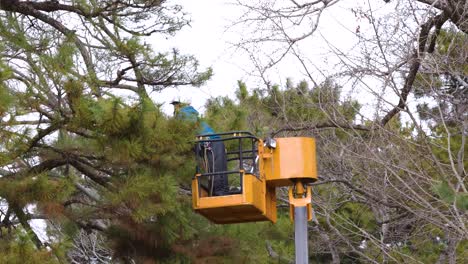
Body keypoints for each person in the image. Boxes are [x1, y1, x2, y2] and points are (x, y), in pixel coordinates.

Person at [171, 101, 229, 196]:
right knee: (218, 170)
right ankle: (221, 192)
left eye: (175, 107)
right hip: (216, 142)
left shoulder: (183, 114)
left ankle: (219, 193)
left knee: (215, 171)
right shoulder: (193, 115)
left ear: (178, 107)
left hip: (209, 143)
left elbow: (188, 131)